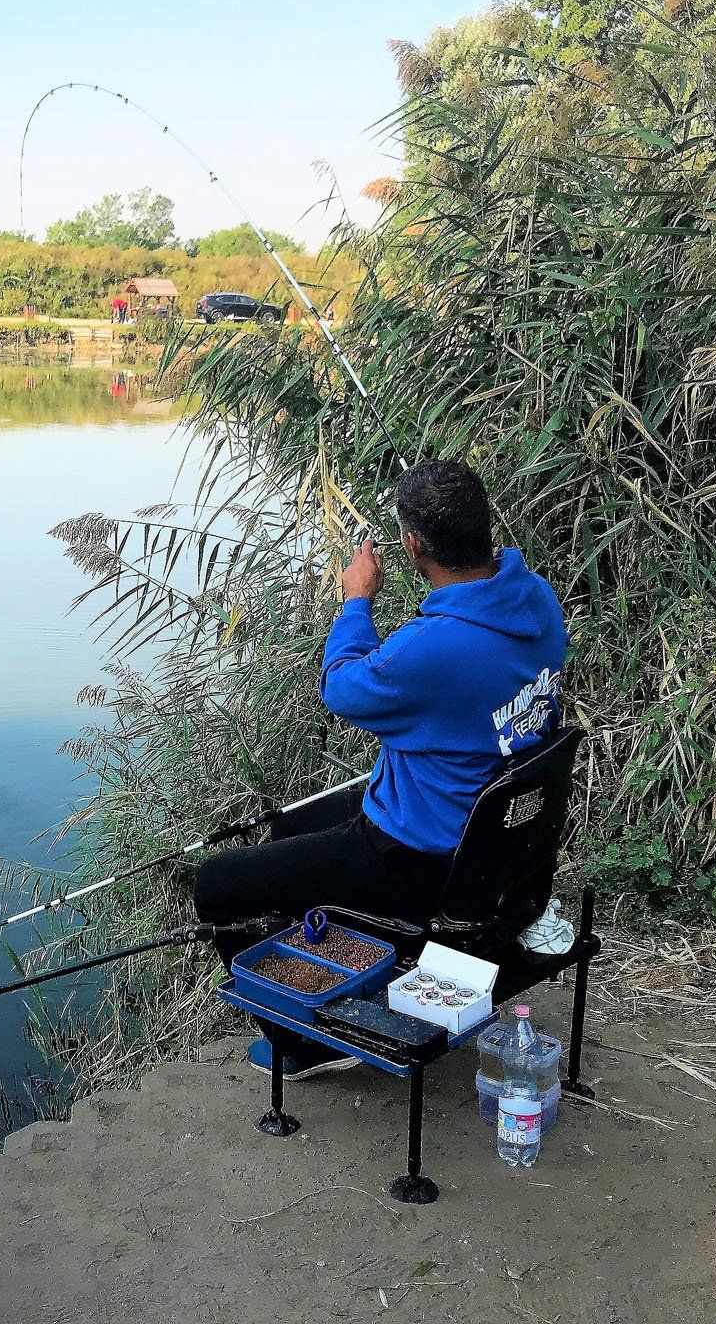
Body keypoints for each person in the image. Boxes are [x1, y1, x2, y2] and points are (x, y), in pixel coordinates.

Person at [193, 459, 567, 1078]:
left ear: (412, 543)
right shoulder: (534, 599)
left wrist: (356, 601)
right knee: (288, 831)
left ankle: (309, 1045)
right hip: (493, 834)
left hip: (419, 853)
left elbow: (341, 688)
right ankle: (352, 971)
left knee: (217, 885)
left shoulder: (436, 646)